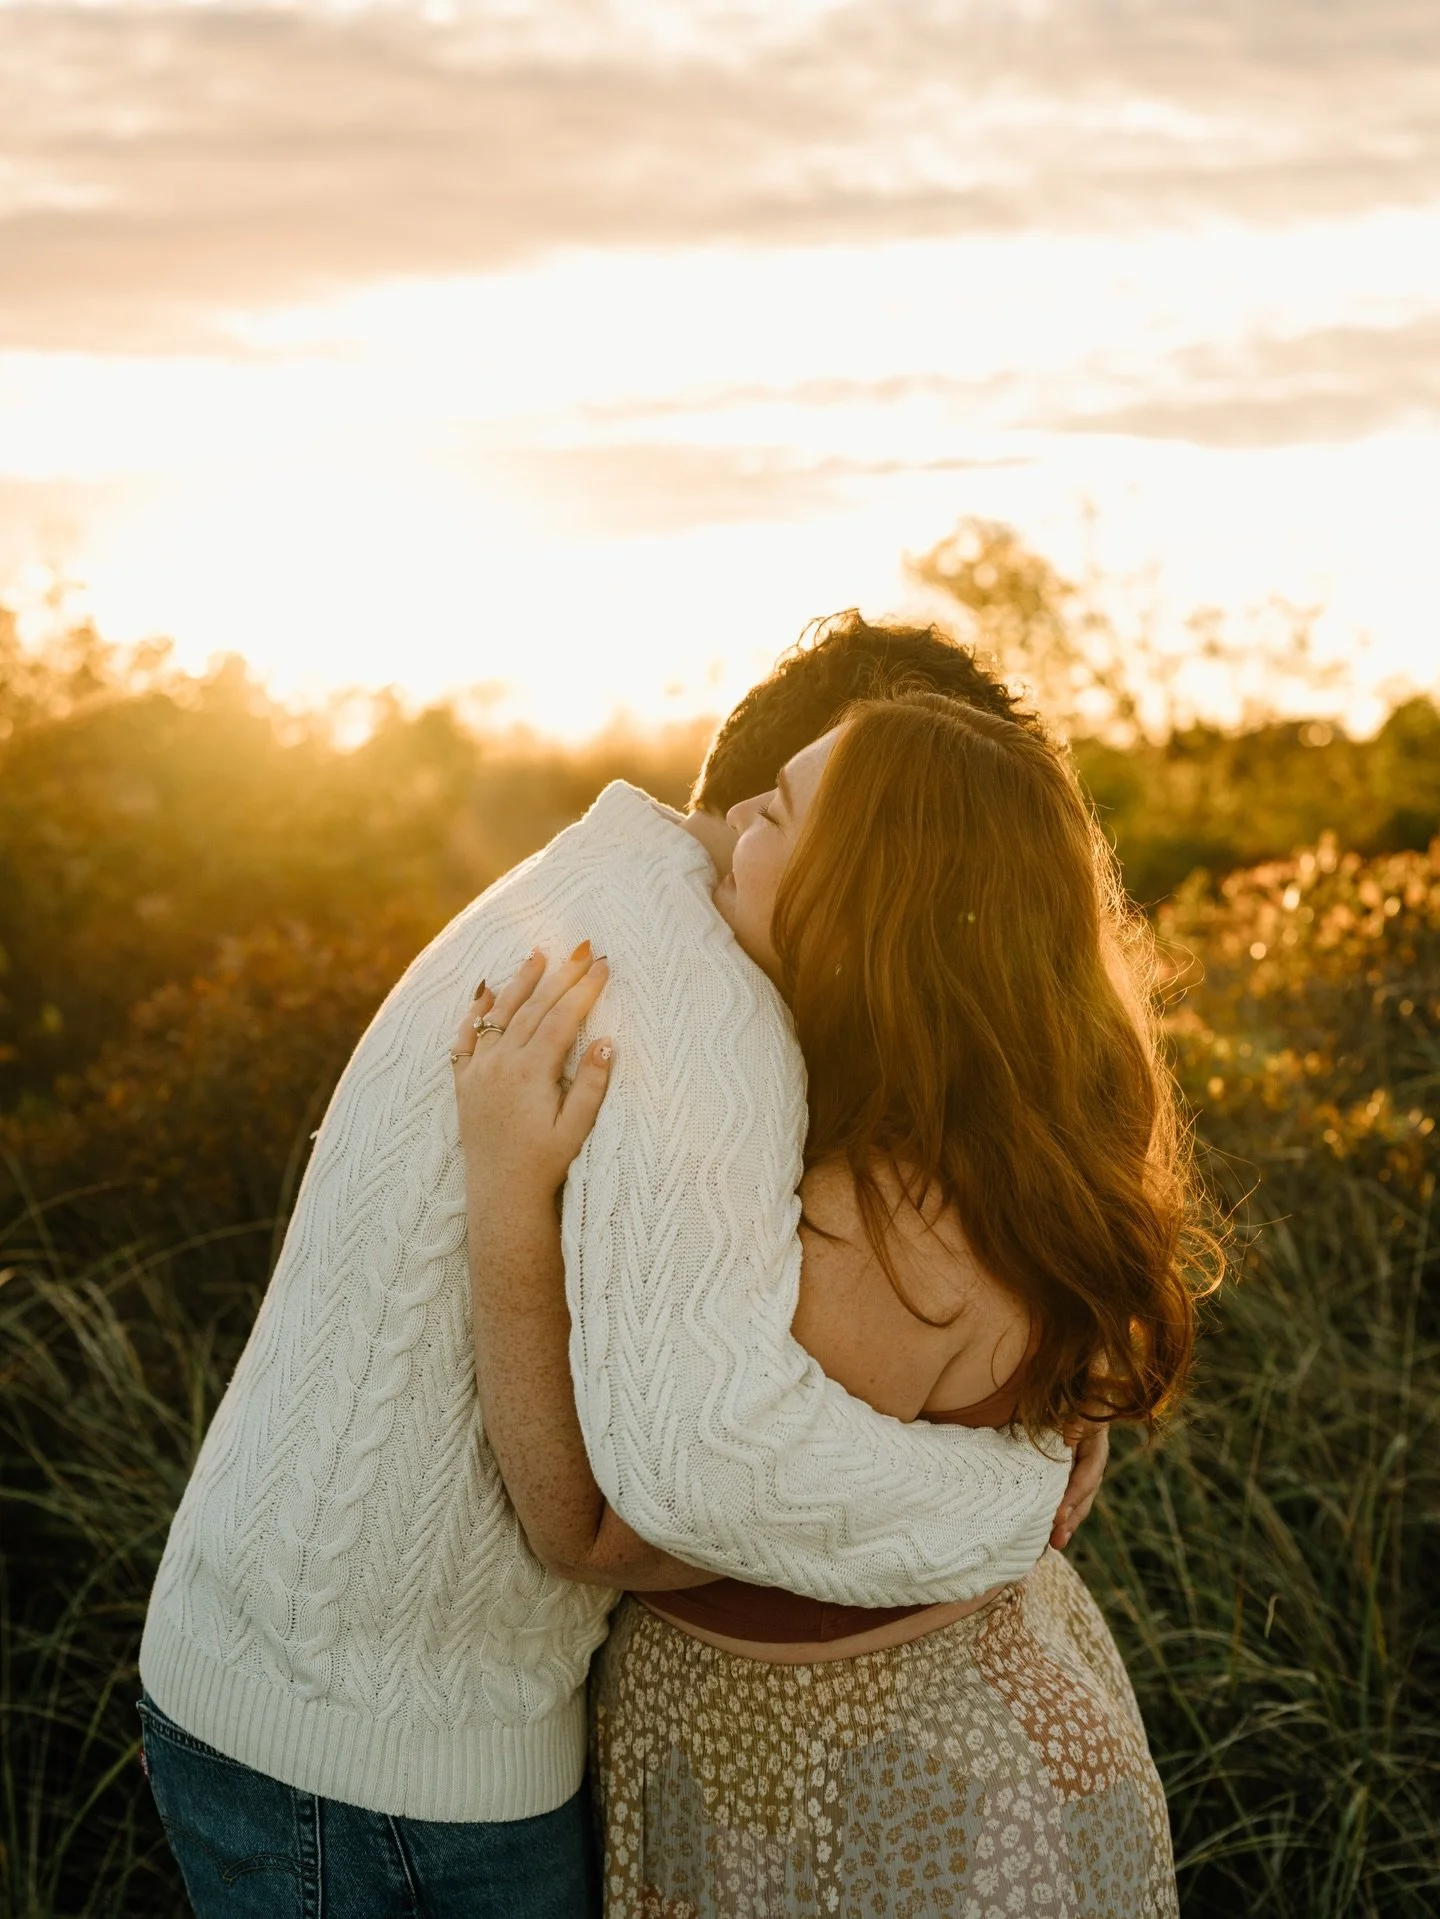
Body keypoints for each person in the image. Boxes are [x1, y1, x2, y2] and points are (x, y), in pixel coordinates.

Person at [137, 616, 1102, 1917]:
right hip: (385, 1748)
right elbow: (689, 1470)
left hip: (295, 1676)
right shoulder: (701, 999)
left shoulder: (600, 882)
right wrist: (1004, 1498)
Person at [452, 688, 1216, 1915]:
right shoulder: (1003, 1146)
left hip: (867, 1793)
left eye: (781, 810)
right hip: (965, 1715)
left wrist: (505, 1181)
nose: (737, 813)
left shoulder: (882, 1223)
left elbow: (584, 1523)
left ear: (864, 902)